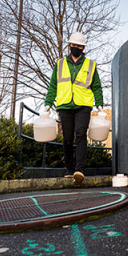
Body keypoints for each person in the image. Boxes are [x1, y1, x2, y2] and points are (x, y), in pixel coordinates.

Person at [44, 32, 103, 184]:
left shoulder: (91, 65)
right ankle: (69, 170)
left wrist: (100, 104)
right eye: (74, 45)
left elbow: (96, 86)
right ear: (69, 46)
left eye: (79, 46)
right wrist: (48, 104)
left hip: (83, 105)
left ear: (83, 48)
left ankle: (80, 170)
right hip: (64, 105)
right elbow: (53, 86)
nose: (76, 47)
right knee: (68, 138)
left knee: (81, 134)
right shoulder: (60, 64)